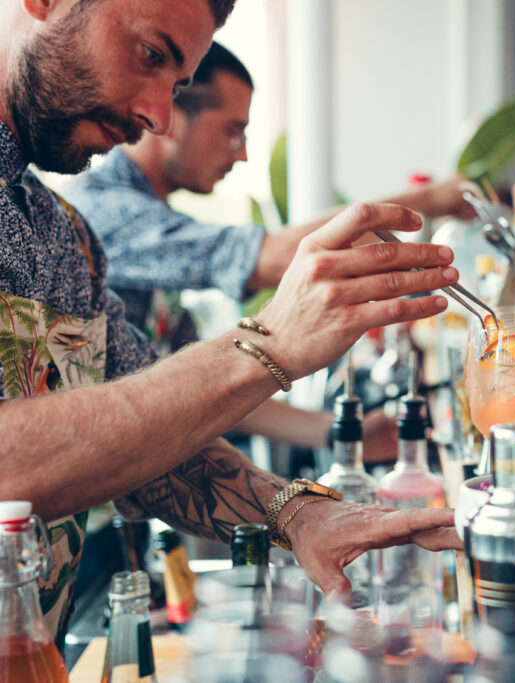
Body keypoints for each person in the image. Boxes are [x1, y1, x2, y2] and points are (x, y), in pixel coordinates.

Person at [0, 0, 459, 645]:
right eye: (150, 55)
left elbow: (151, 445)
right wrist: (265, 346)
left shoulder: (65, 237)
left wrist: (299, 516)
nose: (158, 116)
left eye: (178, 84)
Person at [61, 42, 467, 453]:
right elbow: (271, 258)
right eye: (233, 131)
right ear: (173, 116)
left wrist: (338, 432)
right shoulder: (101, 213)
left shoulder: (152, 216)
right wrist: (434, 198)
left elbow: (200, 384)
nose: (243, 154)